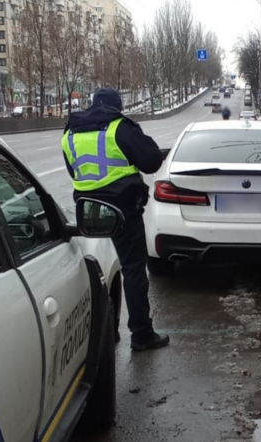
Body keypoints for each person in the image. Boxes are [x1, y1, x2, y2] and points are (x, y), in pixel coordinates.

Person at [62, 87, 169, 351]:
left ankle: (106, 331)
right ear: (117, 107)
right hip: (122, 211)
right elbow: (152, 161)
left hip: (88, 212)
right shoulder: (120, 128)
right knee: (132, 270)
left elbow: (72, 169)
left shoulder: (69, 133)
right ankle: (141, 334)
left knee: (97, 271)